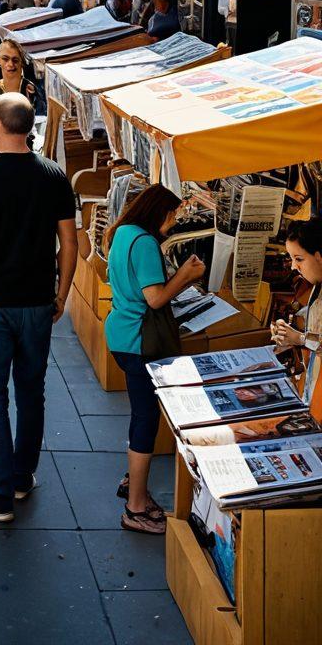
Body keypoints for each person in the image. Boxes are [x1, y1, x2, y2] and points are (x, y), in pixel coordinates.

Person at [0, 94, 78, 522]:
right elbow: (70, 242)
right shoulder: (54, 175)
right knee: (31, 392)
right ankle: (22, 478)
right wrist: (62, 293)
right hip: (38, 301)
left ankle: (0, 494)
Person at [104, 185, 205, 534]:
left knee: (142, 415)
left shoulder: (122, 233)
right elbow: (156, 298)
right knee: (145, 420)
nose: (173, 222)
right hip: (139, 341)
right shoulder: (145, 242)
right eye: (172, 215)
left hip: (121, 334)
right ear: (158, 211)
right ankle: (135, 508)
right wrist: (187, 277)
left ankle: (134, 482)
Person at [271, 218, 322, 406]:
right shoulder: (315, 287)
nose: (293, 266)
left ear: (319, 256)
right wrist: (288, 335)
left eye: (299, 259)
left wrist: (299, 339)